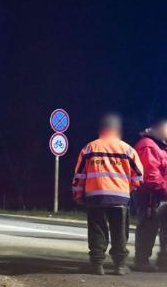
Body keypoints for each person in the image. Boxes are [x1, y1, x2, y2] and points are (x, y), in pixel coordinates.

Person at [72, 113, 143, 275]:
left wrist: (78, 194)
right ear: (117, 129)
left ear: (101, 129)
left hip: (95, 196)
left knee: (97, 230)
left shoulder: (89, 148)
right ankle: (120, 266)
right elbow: (138, 176)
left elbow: (79, 176)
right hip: (120, 197)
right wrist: (129, 189)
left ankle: (97, 265)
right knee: (120, 232)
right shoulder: (127, 149)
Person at [132, 113, 167, 271]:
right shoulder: (148, 144)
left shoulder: (160, 145)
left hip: (161, 194)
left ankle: (163, 260)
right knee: (148, 225)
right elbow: (151, 176)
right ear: (158, 127)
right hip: (150, 195)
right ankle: (141, 261)